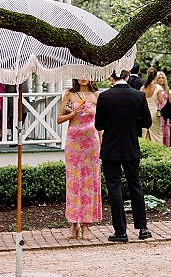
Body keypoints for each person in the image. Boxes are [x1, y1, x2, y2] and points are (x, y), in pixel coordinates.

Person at [94, 70, 153, 243]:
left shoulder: (104, 97)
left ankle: (120, 231)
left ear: (111, 78)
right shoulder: (138, 96)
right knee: (135, 186)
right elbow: (147, 123)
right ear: (127, 77)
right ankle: (143, 228)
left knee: (115, 189)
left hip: (110, 147)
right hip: (131, 146)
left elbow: (99, 124)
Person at [57, 78, 102, 241]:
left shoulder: (97, 95)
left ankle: (86, 225)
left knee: (89, 183)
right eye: (80, 74)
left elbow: (101, 123)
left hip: (91, 143)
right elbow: (59, 118)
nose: (84, 78)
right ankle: (73, 223)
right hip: (74, 142)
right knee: (74, 182)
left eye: (86, 74)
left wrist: (101, 144)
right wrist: (72, 113)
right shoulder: (69, 94)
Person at [140, 67, 165, 145]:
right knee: (156, 133)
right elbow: (161, 101)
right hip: (154, 112)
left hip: (145, 113)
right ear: (155, 77)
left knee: (145, 132)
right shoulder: (158, 88)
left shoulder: (143, 88)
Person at [156, 71, 171, 146]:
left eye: (162, 78)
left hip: (166, 111)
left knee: (166, 131)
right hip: (158, 110)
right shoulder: (155, 88)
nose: (161, 79)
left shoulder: (167, 89)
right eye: (159, 78)